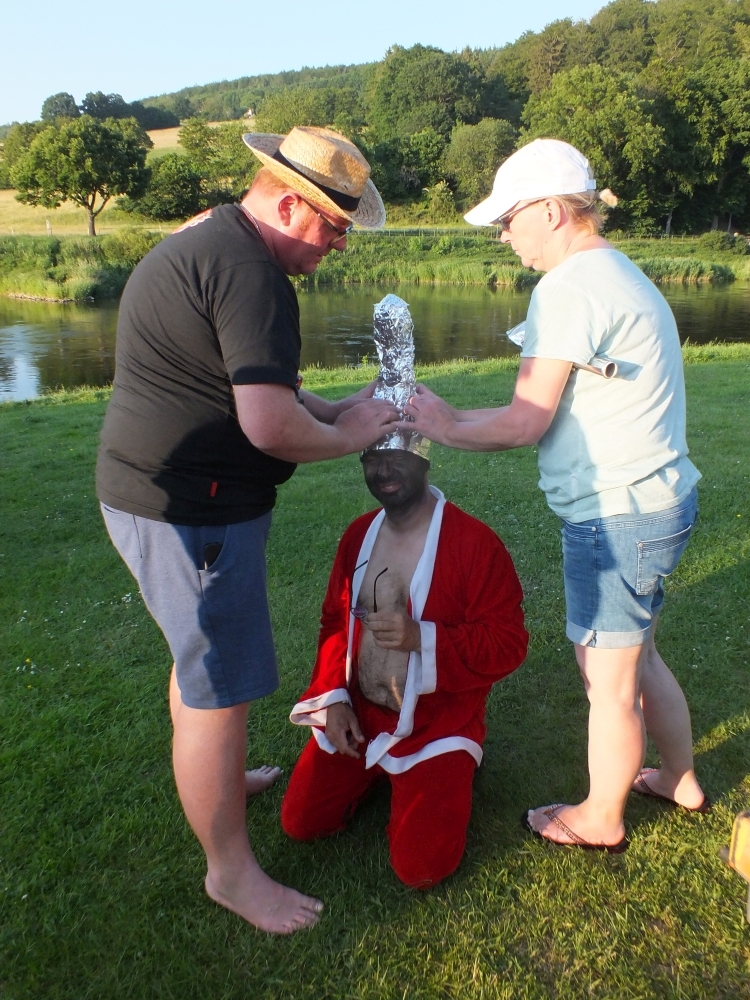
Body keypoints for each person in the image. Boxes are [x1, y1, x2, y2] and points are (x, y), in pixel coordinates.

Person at [95, 126, 401, 933]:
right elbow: (269, 426)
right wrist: (351, 437)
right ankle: (230, 874)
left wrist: (340, 407)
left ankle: (222, 786)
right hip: (191, 512)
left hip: (153, 494)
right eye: (334, 225)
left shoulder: (216, 241)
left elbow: (260, 387)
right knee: (219, 694)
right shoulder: (252, 274)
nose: (339, 243)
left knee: (199, 669)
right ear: (290, 203)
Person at [398, 138, 707, 853]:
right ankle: (679, 777)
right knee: (641, 657)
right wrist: (448, 418)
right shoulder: (616, 271)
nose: (504, 235)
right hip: (659, 500)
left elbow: (524, 422)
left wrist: (442, 426)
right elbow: (549, 407)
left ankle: (602, 817)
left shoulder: (567, 288)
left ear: (549, 210)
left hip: (616, 514)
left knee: (609, 678)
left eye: (508, 219)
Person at [280, 442, 528, 887]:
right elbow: (335, 621)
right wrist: (334, 699)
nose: (384, 471)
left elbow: (508, 643)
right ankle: (380, 771)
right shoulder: (359, 534)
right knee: (300, 822)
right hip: (360, 714)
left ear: (424, 459)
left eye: (397, 458)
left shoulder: (474, 543)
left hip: (436, 723)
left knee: (421, 868)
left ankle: (453, 766)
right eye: (373, 460)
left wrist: (422, 637)